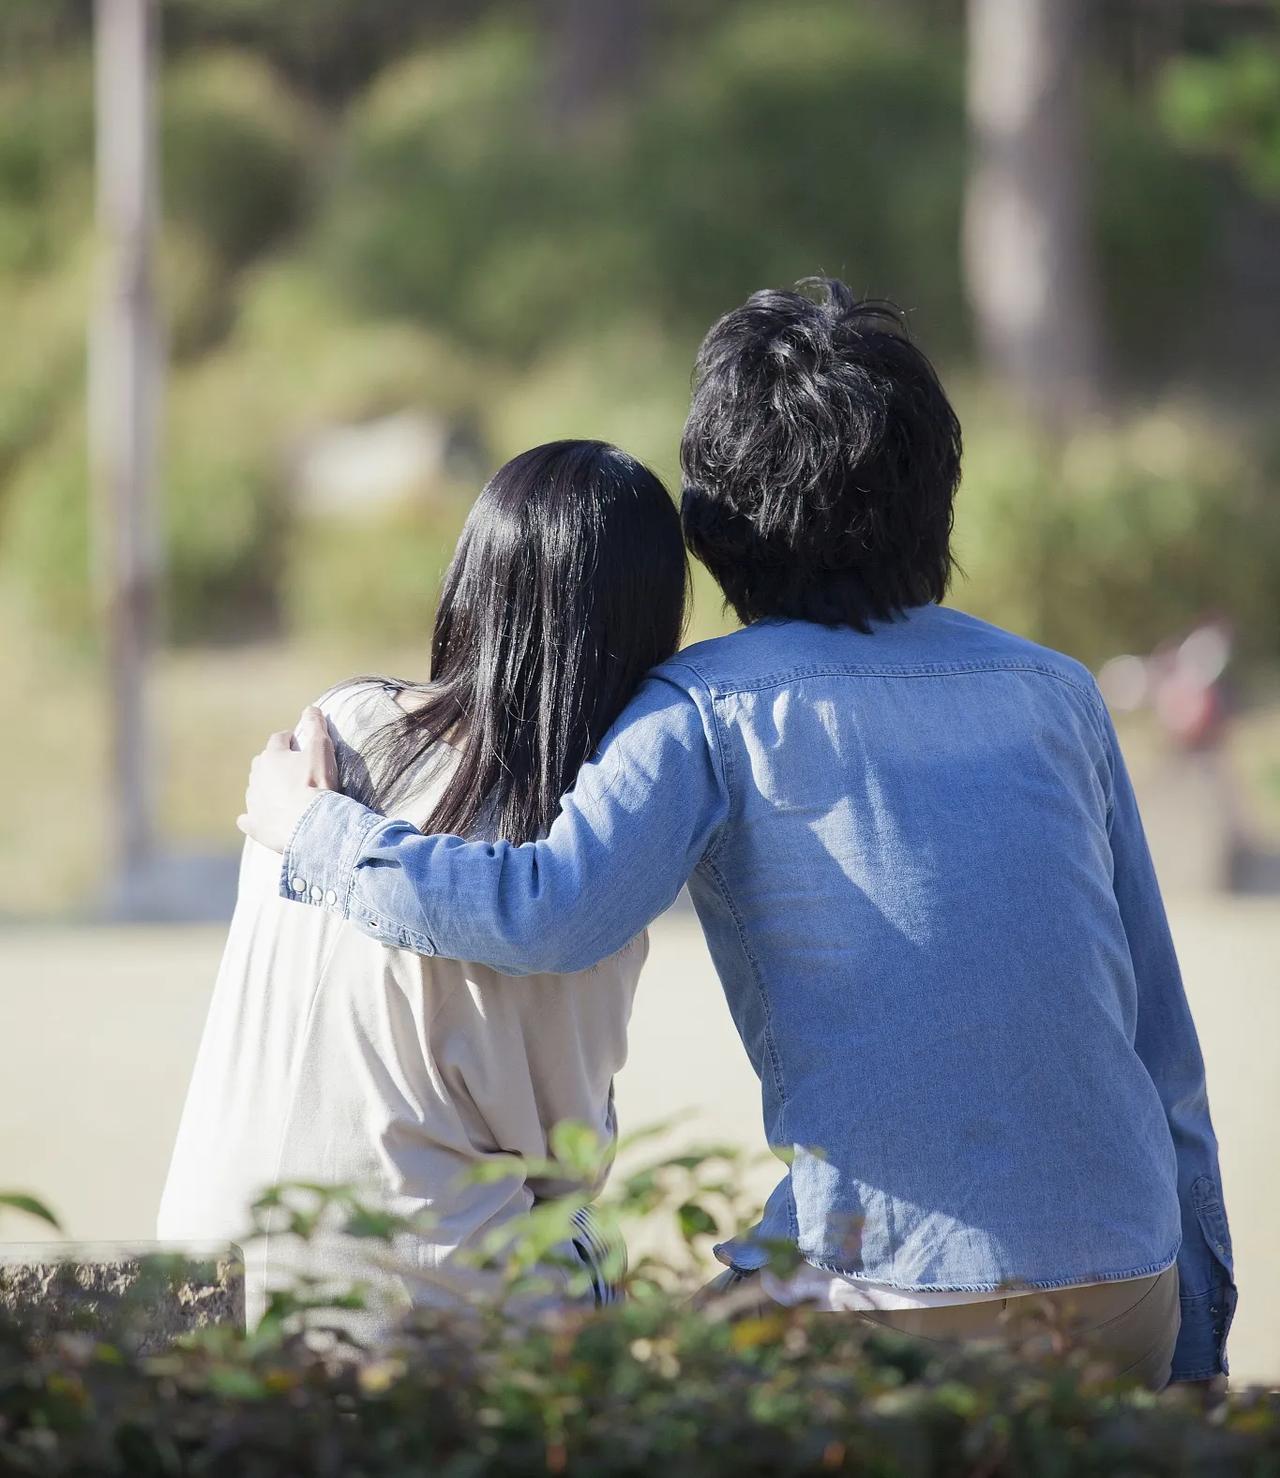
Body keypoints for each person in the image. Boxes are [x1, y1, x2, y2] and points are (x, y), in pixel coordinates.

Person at [240, 281, 1234, 1388]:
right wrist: (1191, 1351)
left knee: (648, 1379)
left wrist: (317, 833)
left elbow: (545, 911)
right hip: (1127, 1287)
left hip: (896, 1305)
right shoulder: (1058, 694)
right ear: (938, 492)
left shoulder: (704, 707)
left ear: (713, 529)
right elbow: (1163, 1057)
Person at [160, 440, 688, 1327]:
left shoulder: (337, 734)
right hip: (419, 1311)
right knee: (603, 1255)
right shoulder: (567, 861)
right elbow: (564, 1161)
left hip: (209, 1271)